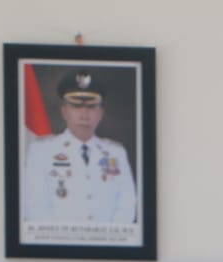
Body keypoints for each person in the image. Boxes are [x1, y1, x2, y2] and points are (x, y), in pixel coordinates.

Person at [22, 70, 137, 225]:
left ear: (100, 113)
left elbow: (127, 204)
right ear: (64, 112)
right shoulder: (41, 151)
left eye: (91, 107)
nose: (84, 115)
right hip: (56, 239)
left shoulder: (116, 152)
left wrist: (110, 237)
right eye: (76, 106)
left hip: (108, 238)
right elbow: (35, 206)